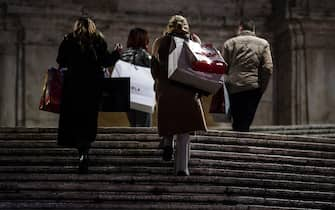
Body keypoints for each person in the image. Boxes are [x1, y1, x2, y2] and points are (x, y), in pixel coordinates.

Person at [56, 17, 116, 174]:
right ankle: (85, 151)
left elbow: (61, 61)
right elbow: (105, 61)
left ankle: (80, 151)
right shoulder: (98, 40)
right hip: (92, 86)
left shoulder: (69, 40)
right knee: (88, 119)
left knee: (75, 118)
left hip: (73, 86)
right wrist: (116, 53)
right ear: (92, 27)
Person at [151, 15, 207, 176]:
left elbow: (154, 69)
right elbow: (201, 66)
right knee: (184, 130)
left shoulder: (160, 42)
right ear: (186, 27)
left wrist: (160, 81)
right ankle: (182, 168)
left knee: (169, 119)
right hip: (188, 91)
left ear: (169, 26)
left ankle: (168, 143)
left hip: (166, 90)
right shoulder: (194, 41)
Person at [222, 18, 273, 132]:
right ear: (253, 29)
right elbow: (268, 68)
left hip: (234, 87)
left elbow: (223, 66)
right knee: (246, 120)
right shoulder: (263, 44)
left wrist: (231, 76)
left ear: (240, 28)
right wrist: (261, 87)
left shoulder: (229, 43)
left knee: (237, 120)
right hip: (252, 87)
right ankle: (242, 143)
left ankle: (237, 144)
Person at [118, 28, 152, 127]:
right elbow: (154, 73)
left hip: (127, 96)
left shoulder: (124, 55)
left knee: (133, 125)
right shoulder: (145, 55)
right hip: (142, 95)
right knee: (144, 128)